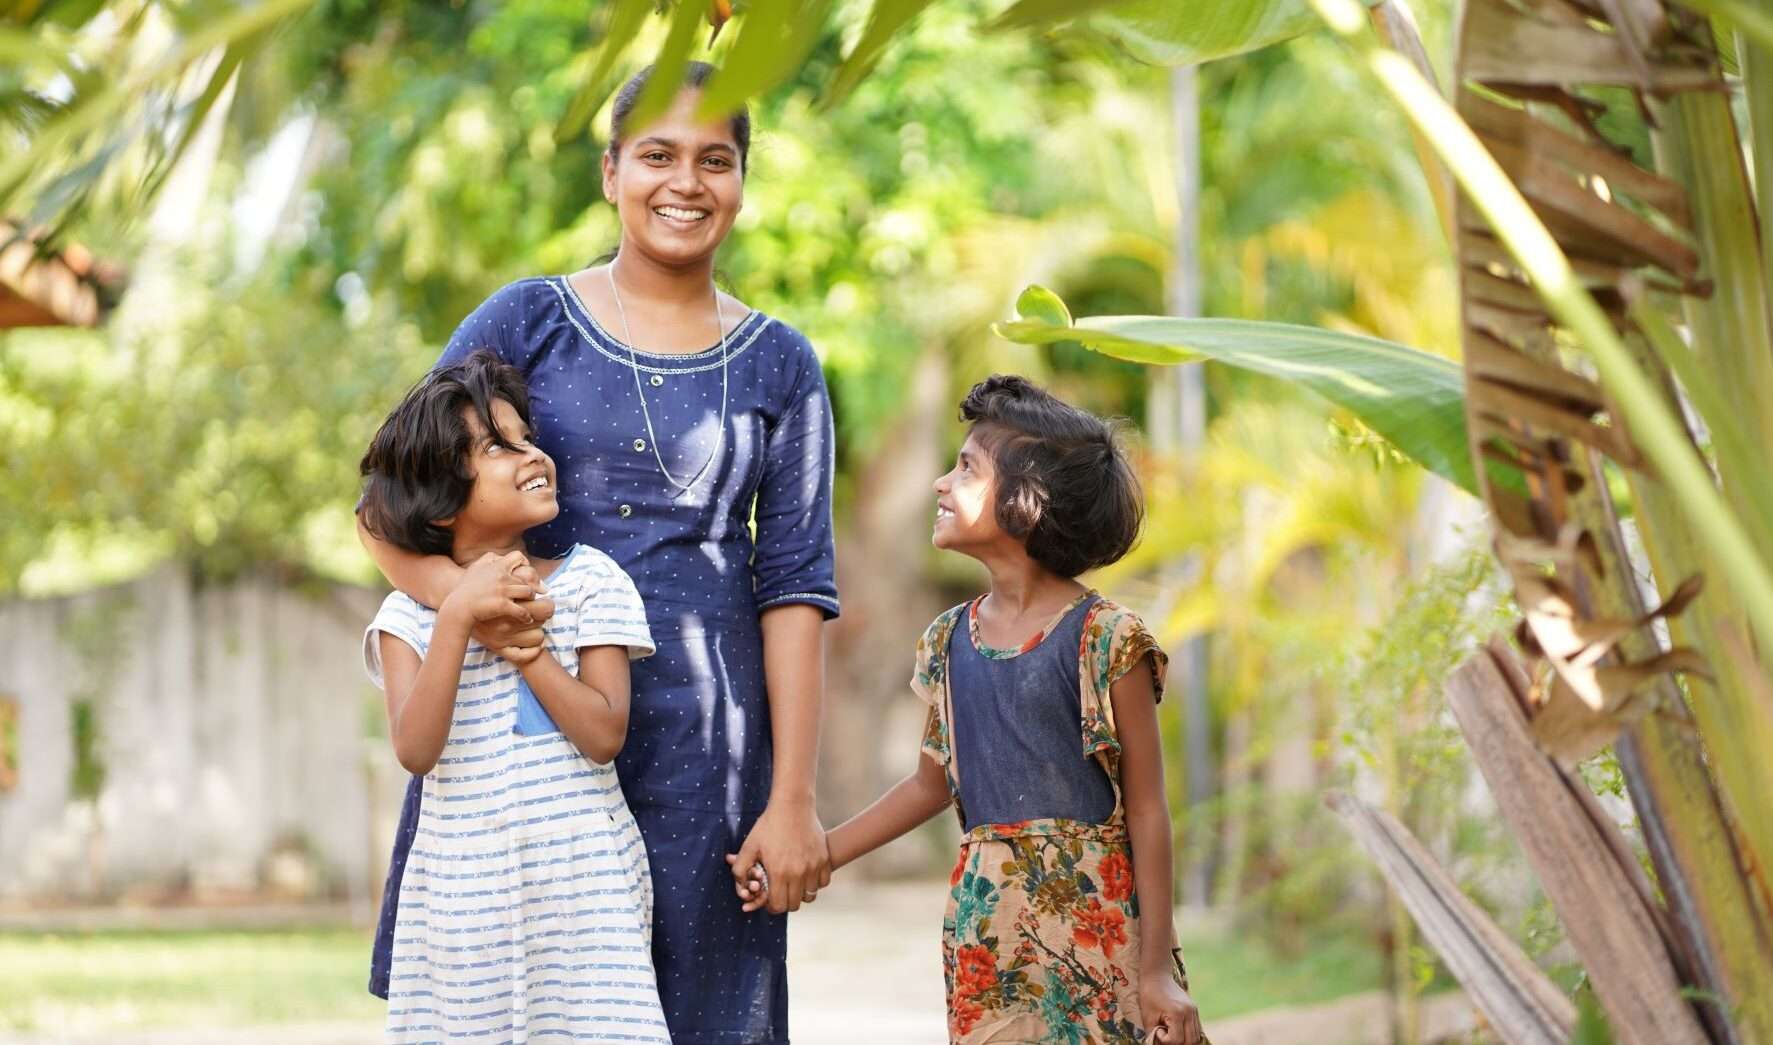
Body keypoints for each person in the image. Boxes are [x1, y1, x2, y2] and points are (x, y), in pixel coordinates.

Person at [359, 62, 838, 1043]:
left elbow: (793, 583)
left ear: (745, 178)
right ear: (612, 169)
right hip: (515, 738)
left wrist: (792, 797)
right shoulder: (527, 318)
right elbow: (388, 500)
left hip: (707, 753)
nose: (687, 182)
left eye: (718, 159)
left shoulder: (782, 362)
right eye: (657, 155)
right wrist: (477, 609)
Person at [743, 375, 1206, 1043]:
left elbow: (1146, 808)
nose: (939, 483)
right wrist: (819, 854)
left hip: (1100, 935)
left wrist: (1156, 967)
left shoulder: (1108, 638)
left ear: (1028, 499)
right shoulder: (946, 640)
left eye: (965, 468)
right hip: (985, 933)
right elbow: (929, 785)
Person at [360, 351, 665, 1041]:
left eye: (525, 436)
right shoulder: (408, 618)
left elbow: (602, 733)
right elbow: (415, 749)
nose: (532, 453)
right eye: (497, 445)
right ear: (440, 496)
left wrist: (523, 645)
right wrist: (461, 614)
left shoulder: (591, 583)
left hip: (586, 899)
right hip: (462, 907)